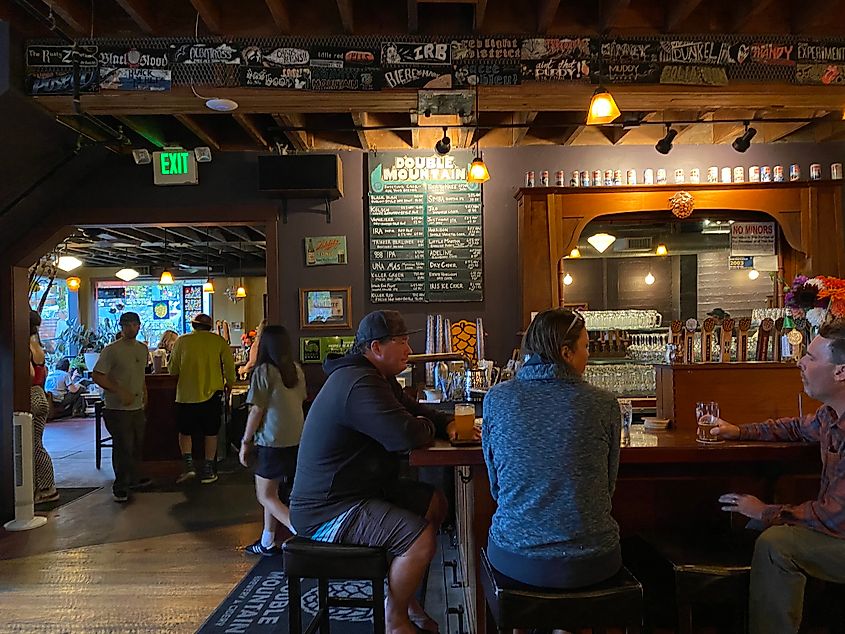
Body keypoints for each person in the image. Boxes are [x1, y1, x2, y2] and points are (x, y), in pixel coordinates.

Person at [290, 310, 455, 634]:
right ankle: (395, 620)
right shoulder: (359, 382)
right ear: (376, 347)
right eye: (403, 341)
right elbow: (404, 435)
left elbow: (417, 413)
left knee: (434, 502)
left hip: (358, 492)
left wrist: (445, 423)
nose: (410, 348)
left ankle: (405, 599)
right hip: (327, 510)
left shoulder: (377, 378)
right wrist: (426, 426)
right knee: (419, 540)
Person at [710, 320, 845, 634]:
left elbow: (837, 519)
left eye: (810, 358)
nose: (800, 361)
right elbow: (795, 428)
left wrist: (764, 510)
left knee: (777, 543)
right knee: (760, 528)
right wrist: (738, 431)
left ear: (840, 372)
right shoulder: (830, 414)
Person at [482, 308, 622, 589]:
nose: (589, 355)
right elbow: (608, 485)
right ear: (566, 352)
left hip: (516, 556)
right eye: (585, 347)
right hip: (592, 560)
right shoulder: (603, 403)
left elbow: (496, 487)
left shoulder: (497, 399)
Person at [239, 325, 307, 555]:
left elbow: (257, 411)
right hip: (296, 440)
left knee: (265, 495)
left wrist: (245, 442)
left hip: (271, 441)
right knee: (275, 494)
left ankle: (301, 529)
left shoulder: (264, 371)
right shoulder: (296, 370)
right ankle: (267, 540)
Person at [169, 313, 236, 485]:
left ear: (193, 325)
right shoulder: (219, 341)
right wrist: (230, 383)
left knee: (185, 432)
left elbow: (173, 370)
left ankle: (189, 466)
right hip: (213, 393)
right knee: (211, 432)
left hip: (186, 394)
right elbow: (229, 367)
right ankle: (208, 469)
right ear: (210, 326)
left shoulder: (181, 341)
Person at [92, 312, 151, 503]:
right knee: (123, 446)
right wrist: (119, 391)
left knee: (137, 444)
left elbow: (141, 375)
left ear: (139, 326)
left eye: (134, 324)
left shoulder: (143, 349)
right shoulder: (111, 350)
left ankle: (132, 479)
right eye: (127, 325)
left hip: (137, 406)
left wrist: (144, 394)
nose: (131, 328)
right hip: (116, 408)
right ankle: (120, 486)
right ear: (121, 327)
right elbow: (98, 375)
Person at [30, 309, 58, 504]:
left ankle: (46, 487)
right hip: (39, 394)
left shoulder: (24, 347)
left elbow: (29, 375)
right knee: (36, 443)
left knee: (32, 445)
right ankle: (44, 486)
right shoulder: (37, 346)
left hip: (29, 396)